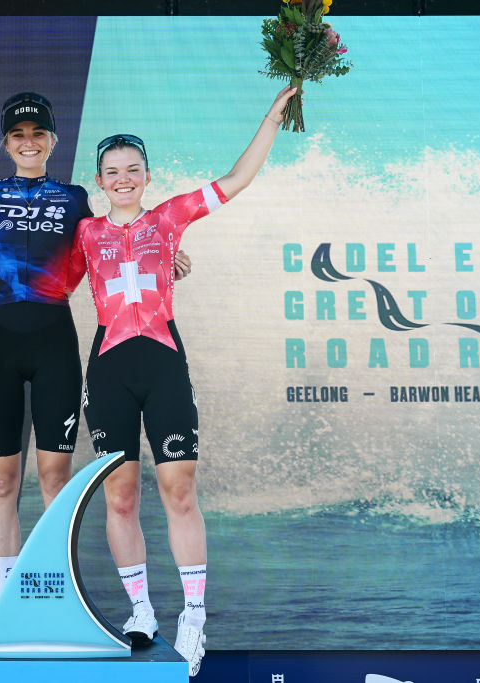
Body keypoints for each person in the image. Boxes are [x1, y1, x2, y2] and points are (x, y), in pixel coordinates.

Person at [71, 85, 297, 676]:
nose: (123, 178)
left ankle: (192, 617)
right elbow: (41, 280)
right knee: (120, 497)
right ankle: (140, 610)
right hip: (109, 367)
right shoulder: (85, 232)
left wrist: (271, 116)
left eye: (132, 170)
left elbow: (235, 179)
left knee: (179, 492)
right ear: (100, 179)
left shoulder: (170, 218)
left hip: (164, 361)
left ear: (146, 175)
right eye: (112, 171)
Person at [0, 93, 192, 595]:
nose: (29, 142)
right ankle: (7, 599)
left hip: (53, 344)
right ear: (6, 143)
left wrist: (165, 260)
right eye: (18, 134)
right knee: (1, 482)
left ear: (52, 141)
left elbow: (115, 246)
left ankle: (56, 591)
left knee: (54, 477)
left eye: (38, 134)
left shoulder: (73, 200)